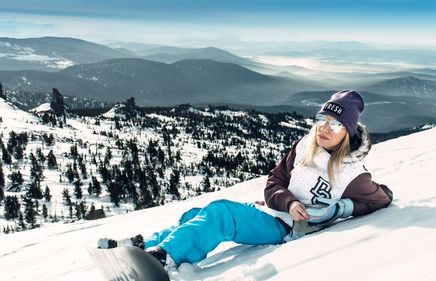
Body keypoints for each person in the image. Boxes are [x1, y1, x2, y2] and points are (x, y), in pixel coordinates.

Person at [98, 89, 393, 271]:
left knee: (221, 214)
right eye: (321, 120)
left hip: (286, 229)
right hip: (272, 212)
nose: (324, 129)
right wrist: (288, 201)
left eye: (335, 124)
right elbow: (273, 183)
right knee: (196, 214)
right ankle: (143, 248)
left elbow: (382, 198)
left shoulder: (351, 174)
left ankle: (163, 257)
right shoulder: (305, 146)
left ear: (348, 131)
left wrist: (339, 209)